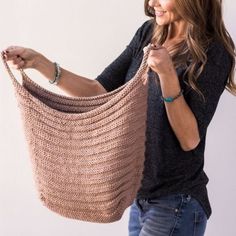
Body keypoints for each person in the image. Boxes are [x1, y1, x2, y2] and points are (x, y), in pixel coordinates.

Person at [2, 0, 236, 235]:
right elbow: (99, 91)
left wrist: (167, 75)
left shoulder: (213, 51)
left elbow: (189, 139)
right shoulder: (148, 33)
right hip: (139, 201)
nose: (152, 3)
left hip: (177, 202)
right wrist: (39, 63)